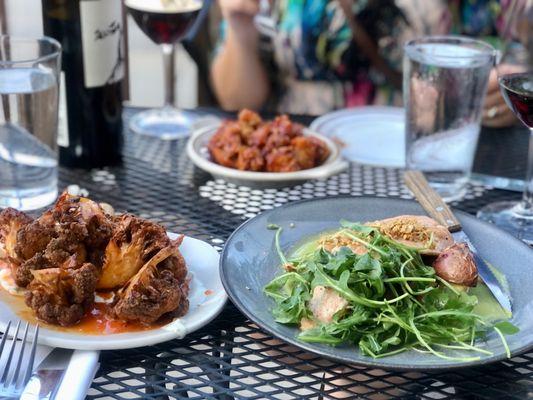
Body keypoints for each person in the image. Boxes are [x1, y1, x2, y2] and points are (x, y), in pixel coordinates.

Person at [211, 0, 525, 127]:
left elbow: (512, 57)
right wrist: (239, 29)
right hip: (296, 156)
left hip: (432, 152)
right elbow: (237, 100)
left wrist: (495, 92)